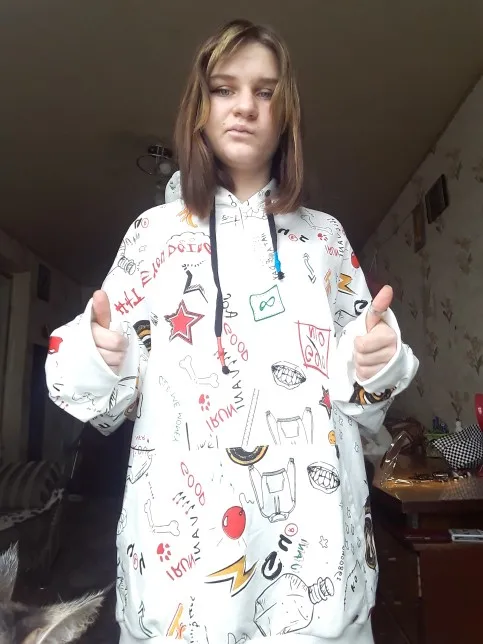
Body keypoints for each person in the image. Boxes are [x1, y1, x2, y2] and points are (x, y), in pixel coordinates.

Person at [45, 18, 418, 644]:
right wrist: (98, 354)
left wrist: (376, 361)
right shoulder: (153, 236)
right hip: (182, 569)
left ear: (286, 115)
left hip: (312, 564)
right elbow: (101, 397)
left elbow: (362, 397)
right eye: (225, 88)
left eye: (265, 92)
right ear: (199, 108)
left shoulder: (325, 239)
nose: (245, 105)